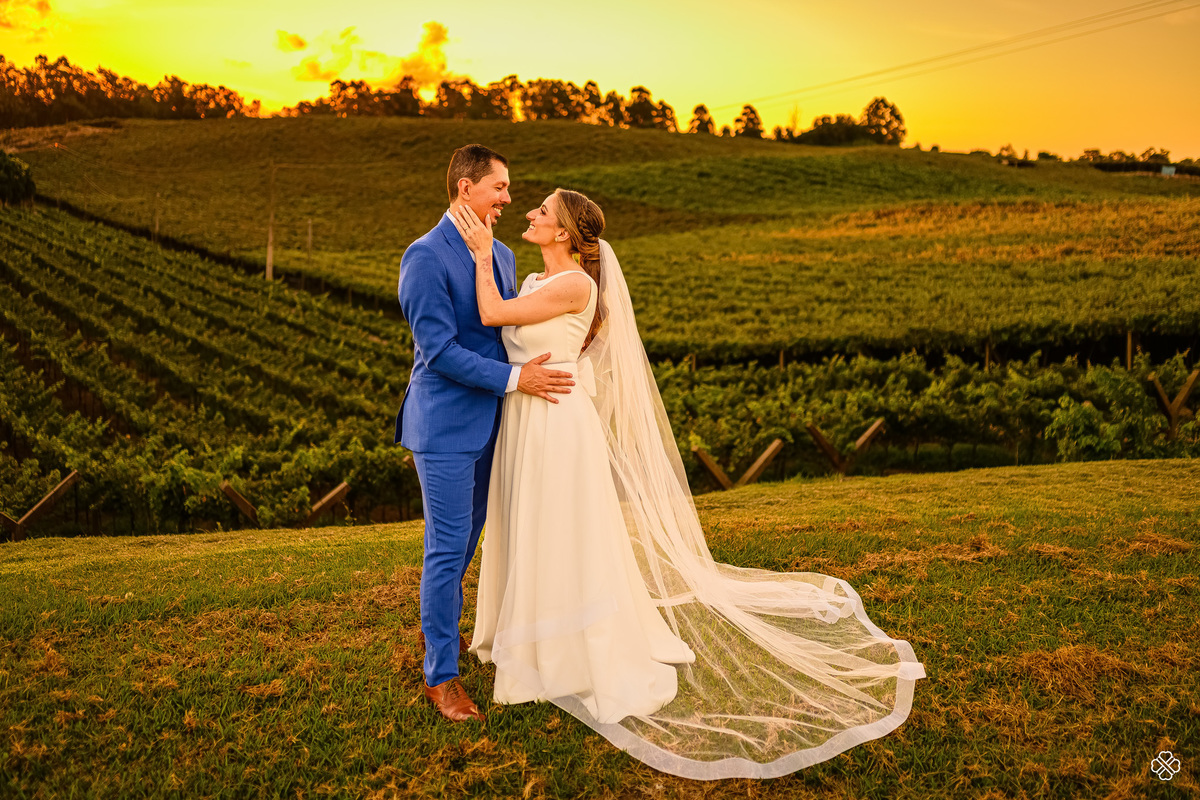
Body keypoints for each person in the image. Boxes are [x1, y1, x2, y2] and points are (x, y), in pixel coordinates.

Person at [450, 188, 928, 780]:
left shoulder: (574, 284)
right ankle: (531, 632)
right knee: (532, 526)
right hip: (529, 417)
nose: (530, 214)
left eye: (542, 212)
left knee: (560, 529)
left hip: (556, 422)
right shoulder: (534, 282)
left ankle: (565, 646)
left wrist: (476, 253)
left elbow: (493, 316)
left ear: (566, 234)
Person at [395, 144, 575, 723]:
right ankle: (441, 678)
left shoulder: (497, 254)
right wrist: (518, 379)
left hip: (494, 423)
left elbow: (503, 327)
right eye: (499, 187)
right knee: (447, 550)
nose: (507, 198)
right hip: (444, 425)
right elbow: (440, 351)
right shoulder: (423, 257)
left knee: (467, 545)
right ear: (465, 187)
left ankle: (438, 634)